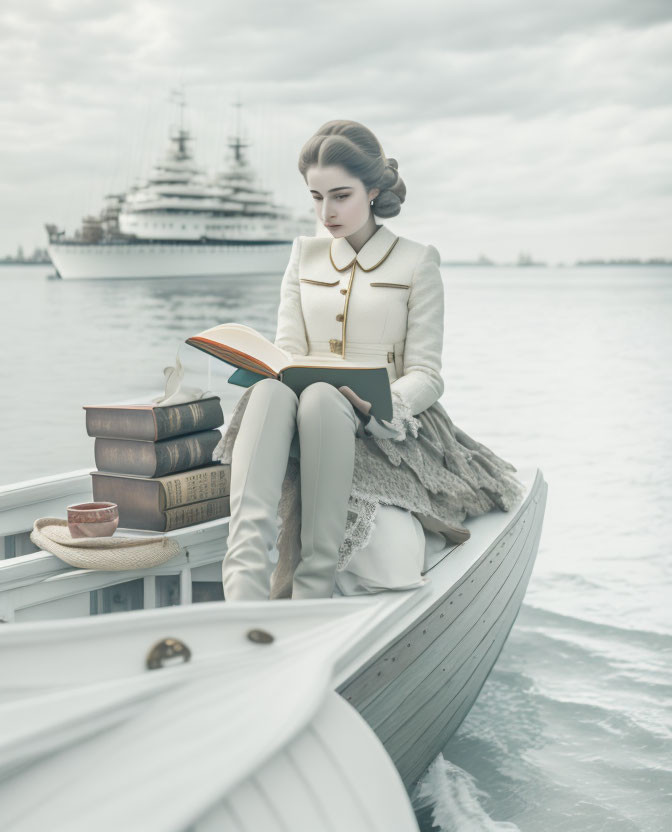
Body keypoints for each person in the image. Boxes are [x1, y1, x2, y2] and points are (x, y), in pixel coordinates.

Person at [217, 120, 524, 601]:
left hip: (380, 419)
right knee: (274, 388)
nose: (326, 212)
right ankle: (241, 592)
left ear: (374, 189)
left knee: (322, 398)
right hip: (300, 409)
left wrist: (387, 405)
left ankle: (311, 591)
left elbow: (426, 374)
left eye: (340, 196)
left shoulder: (418, 261)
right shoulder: (303, 255)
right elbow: (288, 349)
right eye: (316, 197)